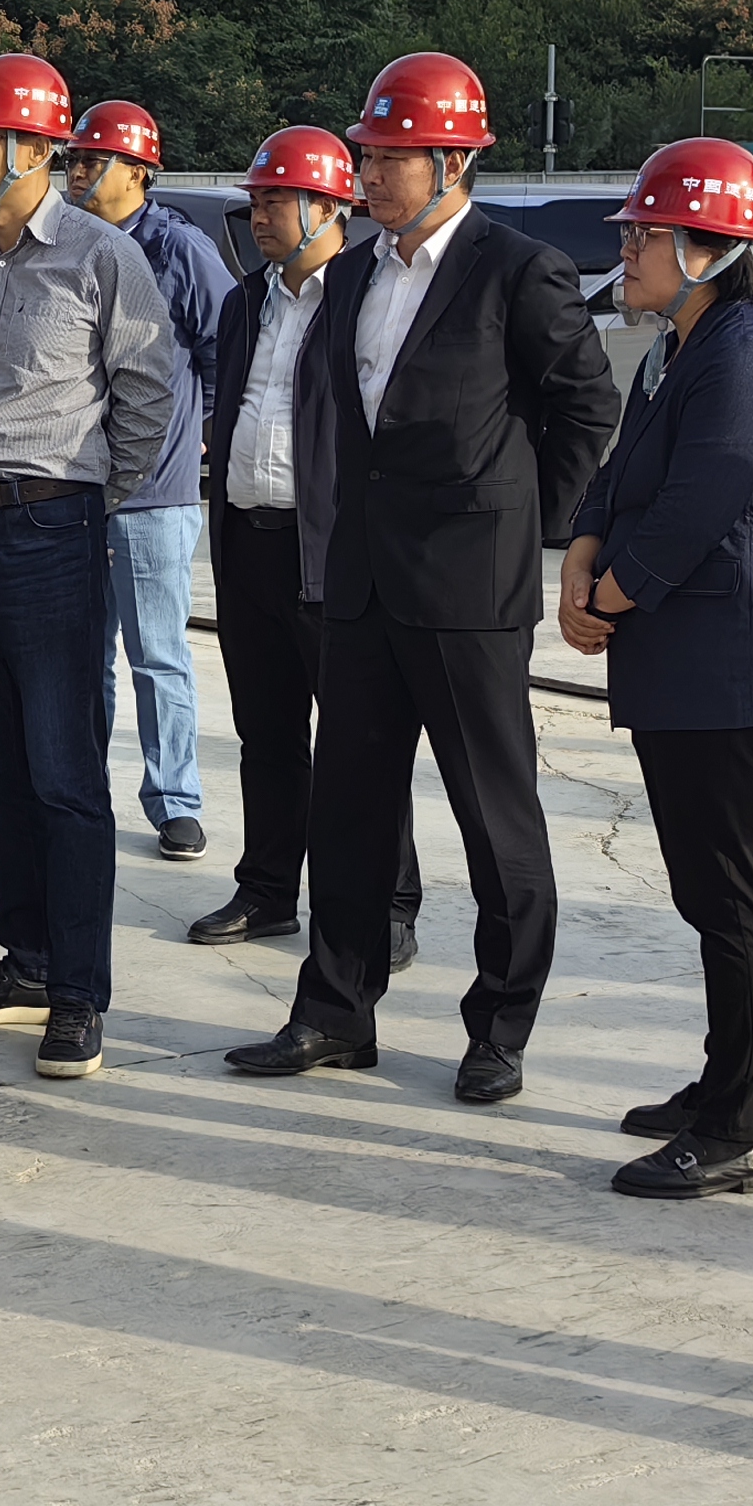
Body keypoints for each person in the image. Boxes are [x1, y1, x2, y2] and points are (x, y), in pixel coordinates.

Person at [225, 54, 614, 1100]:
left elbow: (586, 407)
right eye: (366, 155)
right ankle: (333, 1013)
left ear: (453, 162)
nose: (369, 174)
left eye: (390, 158)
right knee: (349, 810)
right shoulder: (354, 275)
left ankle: (499, 1029)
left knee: (494, 817)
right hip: (360, 584)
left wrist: (524, 528)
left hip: (467, 591)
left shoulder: (517, 270)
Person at [550, 139, 753, 1200]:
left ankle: (741, 1129)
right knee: (707, 893)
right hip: (685, 667)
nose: (626, 250)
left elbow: (694, 511)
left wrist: (605, 600)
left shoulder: (746, 356)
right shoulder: (681, 346)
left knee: (731, 898)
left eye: (643, 234)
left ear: (706, 250)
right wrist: (582, 552)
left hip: (730, 670)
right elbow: (623, 474)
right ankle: (724, 1089)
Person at [0, 52, 181, 1083]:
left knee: (64, 776)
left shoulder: (103, 258)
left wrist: (87, 499)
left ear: (36, 149)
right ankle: (24, 960)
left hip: (50, 529)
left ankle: (77, 993)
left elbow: (147, 393)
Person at [191, 126, 419, 966]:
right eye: (254, 202)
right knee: (267, 732)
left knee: (360, 739)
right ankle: (267, 889)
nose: (259, 217)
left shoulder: (362, 296)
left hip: (332, 551)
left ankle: (389, 905)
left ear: (329, 208)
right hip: (249, 540)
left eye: (277, 201)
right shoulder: (244, 301)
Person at [62, 97, 232, 865]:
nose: (77, 173)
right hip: (72, 487)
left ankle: (176, 800)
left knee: (157, 654)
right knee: (80, 659)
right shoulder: (67, 243)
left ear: (138, 171)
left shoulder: (177, 248)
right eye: (73, 159)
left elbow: (225, 345)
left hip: (153, 495)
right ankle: (81, 791)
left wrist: (199, 436)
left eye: (93, 161)